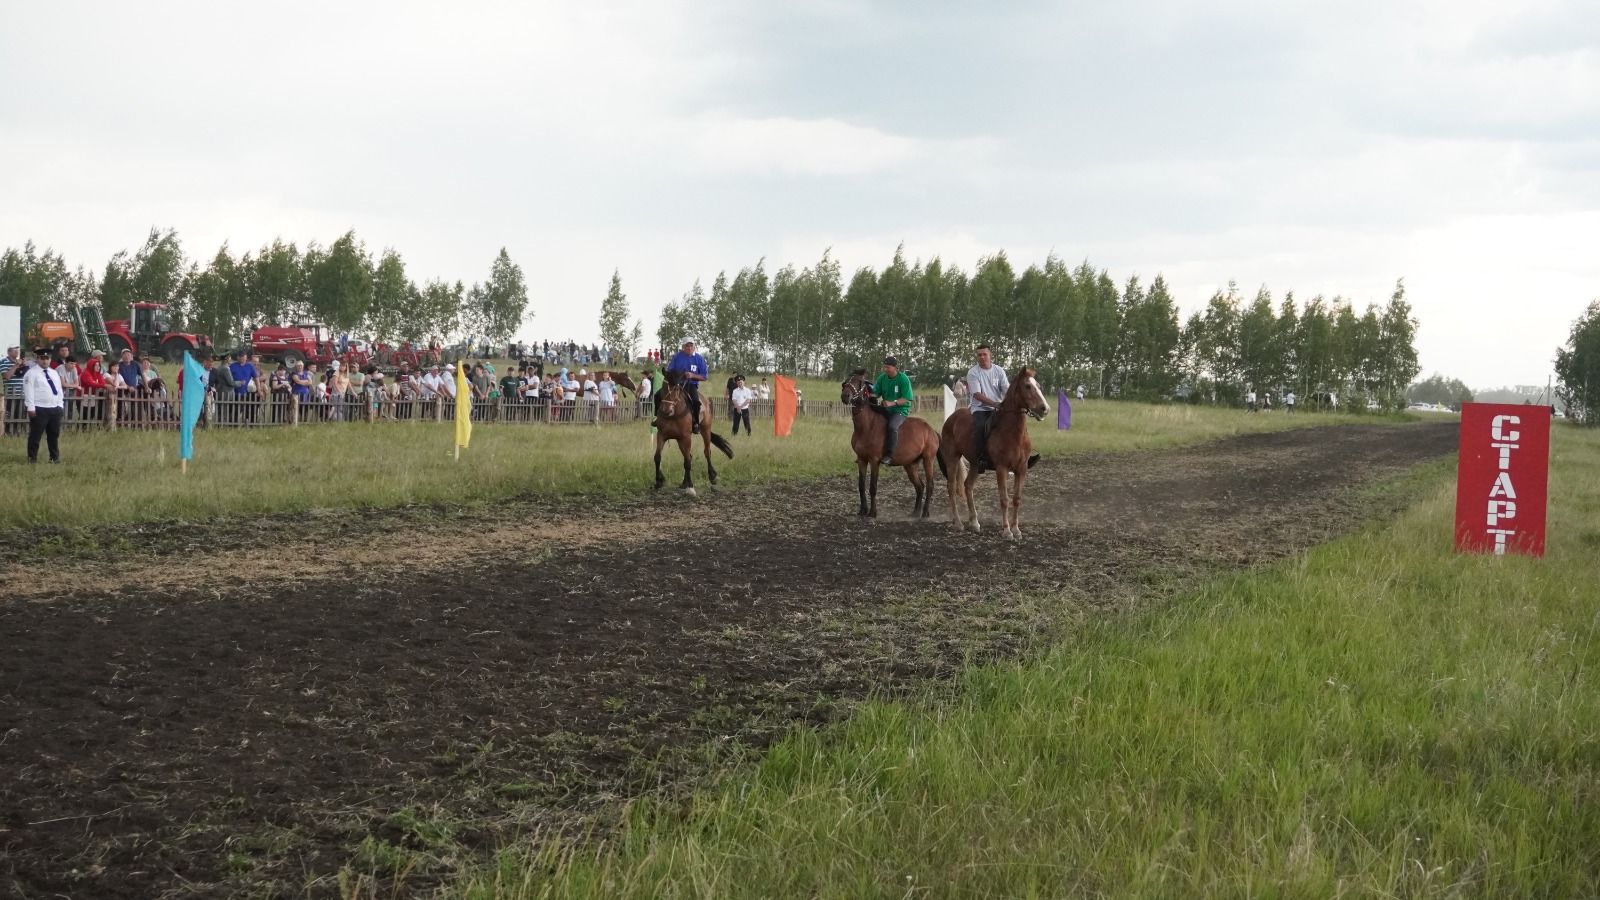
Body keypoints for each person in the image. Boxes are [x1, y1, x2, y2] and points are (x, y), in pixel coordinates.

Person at [966, 344, 1009, 471]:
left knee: (1016, 423)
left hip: (998, 407)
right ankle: (980, 459)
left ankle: (1022, 455)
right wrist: (995, 404)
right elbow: (978, 395)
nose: (982, 357)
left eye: (985, 354)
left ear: (991, 355)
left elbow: (1006, 389)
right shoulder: (973, 373)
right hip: (980, 409)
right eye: (979, 355)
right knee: (980, 427)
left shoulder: (999, 371)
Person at [23, 348, 65, 463]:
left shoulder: (54, 373)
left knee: (53, 435)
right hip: (39, 408)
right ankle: (32, 458)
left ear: (50, 359)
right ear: (38, 359)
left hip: (54, 408)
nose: (45, 361)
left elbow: (59, 390)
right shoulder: (31, 373)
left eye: (47, 359)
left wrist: (60, 405)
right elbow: (28, 391)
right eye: (42, 359)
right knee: (35, 436)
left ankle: (54, 458)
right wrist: (30, 407)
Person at [873, 355, 914, 465]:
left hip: (900, 410)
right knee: (869, 419)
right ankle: (868, 451)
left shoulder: (903, 379)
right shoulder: (882, 378)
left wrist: (892, 403)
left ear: (895, 367)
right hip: (886, 409)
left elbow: (906, 398)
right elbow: (876, 393)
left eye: (888, 367)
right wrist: (869, 393)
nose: (885, 369)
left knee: (892, 426)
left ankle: (889, 455)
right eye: (884, 367)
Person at [665, 339, 709, 432]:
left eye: (691, 346)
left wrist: (693, 375)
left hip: (691, 385)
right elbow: (669, 371)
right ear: (683, 347)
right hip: (676, 384)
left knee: (696, 401)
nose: (689, 348)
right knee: (659, 395)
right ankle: (658, 418)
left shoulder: (699, 359)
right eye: (687, 346)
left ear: (694, 347)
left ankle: (696, 423)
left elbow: (704, 377)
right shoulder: (677, 357)